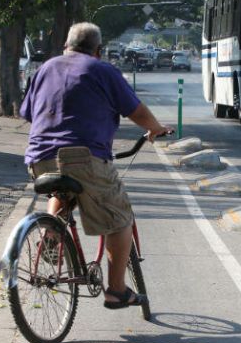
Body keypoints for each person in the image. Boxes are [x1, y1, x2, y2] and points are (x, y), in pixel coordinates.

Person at [19, 22, 172, 309]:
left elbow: (29, 113)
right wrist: (155, 129)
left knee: (62, 191)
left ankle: (51, 231)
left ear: (66, 45)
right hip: (84, 159)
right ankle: (116, 291)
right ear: (98, 50)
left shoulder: (44, 69)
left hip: (39, 158)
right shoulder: (102, 70)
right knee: (120, 218)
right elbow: (135, 110)